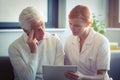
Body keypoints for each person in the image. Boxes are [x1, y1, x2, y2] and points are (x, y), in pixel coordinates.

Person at [8, 7, 64, 80]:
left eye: (43, 25)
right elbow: (28, 79)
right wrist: (33, 52)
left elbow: (58, 75)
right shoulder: (14, 48)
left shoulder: (55, 41)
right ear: (26, 31)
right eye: (38, 29)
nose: (43, 32)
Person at [64, 5, 112, 80]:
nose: (72, 28)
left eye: (77, 26)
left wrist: (83, 78)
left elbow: (102, 76)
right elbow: (66, 68)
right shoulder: (69, 40)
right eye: (70, 23)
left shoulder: (101, 41)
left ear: (88, 24)